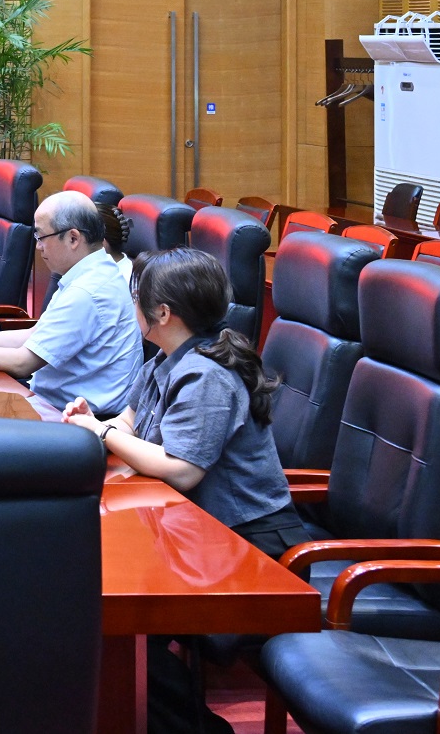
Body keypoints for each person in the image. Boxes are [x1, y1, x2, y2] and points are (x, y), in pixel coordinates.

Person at [62, 248, 306, 734]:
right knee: (92, 614)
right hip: (193, 531)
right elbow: (129, 423)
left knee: (113, 628)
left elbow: (182, 469)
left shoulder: (207, 375)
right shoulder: (165, 359)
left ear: (162, 313)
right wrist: (97, 422)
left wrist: (101, 433)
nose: (132, 305)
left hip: (249, 546)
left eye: (137, 297)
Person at [0, 190, 144, 415]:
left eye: (41, 237)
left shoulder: (87, 291)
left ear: (73, 238)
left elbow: (23, 363)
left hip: (73, 418)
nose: (38, 246)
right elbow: (34, 335)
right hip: (50, 404)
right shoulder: (90, 273)